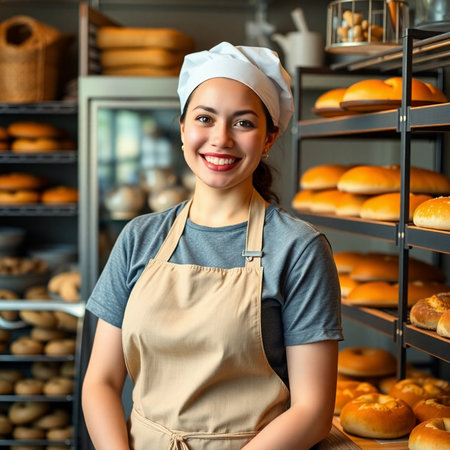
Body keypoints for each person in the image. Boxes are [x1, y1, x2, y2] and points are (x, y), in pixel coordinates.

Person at [82, 41, 343, 450]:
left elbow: (312, 411)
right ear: (183, 128)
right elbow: (101, 381)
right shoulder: (138, 237)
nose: (220, 139)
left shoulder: (299, 248)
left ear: (269, 137)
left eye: (243, 123)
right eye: (205, 118)